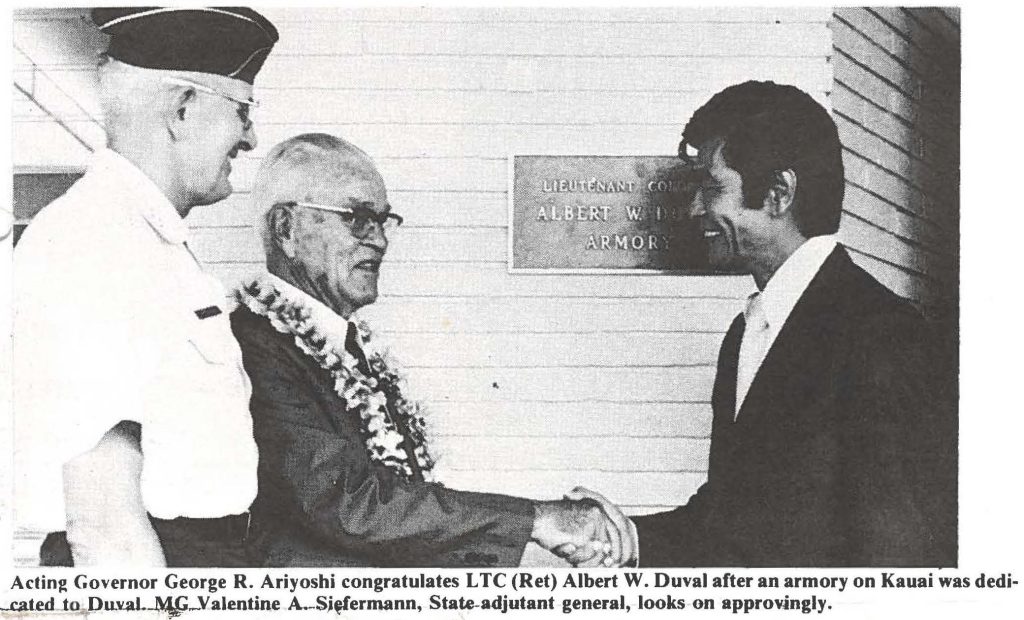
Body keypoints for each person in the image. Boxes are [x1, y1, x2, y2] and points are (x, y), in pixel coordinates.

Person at [574, 80, 956, 567]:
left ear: (778, 194)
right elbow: (727, 521)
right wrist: (617, 537)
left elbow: (902, 554)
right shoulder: (745, 335)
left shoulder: (884, 335)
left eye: (711, 189)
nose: (695, 209)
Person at [231, 133, 631, 567]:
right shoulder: (251, 344)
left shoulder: (347, 346)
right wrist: (535, 521)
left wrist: (536, 537)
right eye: (359, 218)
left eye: (384, 221)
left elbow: (402, 511)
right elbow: (348, 504)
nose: (380, 241)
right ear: (286, 228)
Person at [13, 7, 279, 566]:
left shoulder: (146, 239)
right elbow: (104, 523)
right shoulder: (96, 240)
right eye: (242, 111)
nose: (250, 138)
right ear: (183, 110)